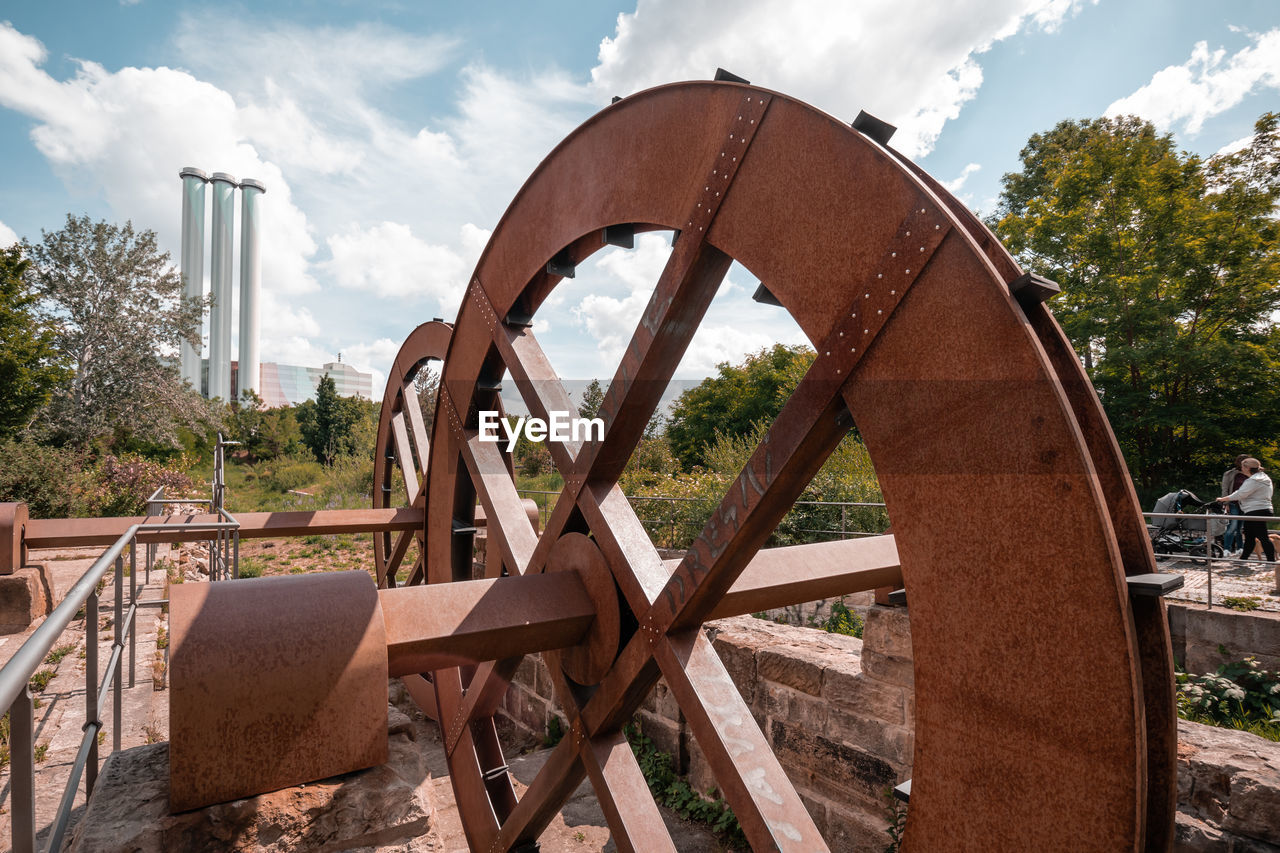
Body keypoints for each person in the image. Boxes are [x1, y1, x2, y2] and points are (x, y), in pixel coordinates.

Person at [1216, 458, 1274, 564]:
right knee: (1249, 535)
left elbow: (1240, 494)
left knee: (1262, 537)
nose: (1241, 468)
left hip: (1256, 510)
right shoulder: (1263, 477)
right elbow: (1242, 492)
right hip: (1260, 509)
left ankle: (1271, 561)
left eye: (1242, 466)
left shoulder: (1254, 480)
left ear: (1247, 468)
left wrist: (1223, 499)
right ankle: (1244, 558)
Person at [1221, 454, 1249, 556]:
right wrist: (1226, 503)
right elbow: (1225, 489)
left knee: (1240, 528)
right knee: (1232, 526)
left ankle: (1240, 548)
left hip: (1245, 504)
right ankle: (1226, 549)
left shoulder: (1250, 474)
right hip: (1233, 503)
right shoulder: (1230, 474)